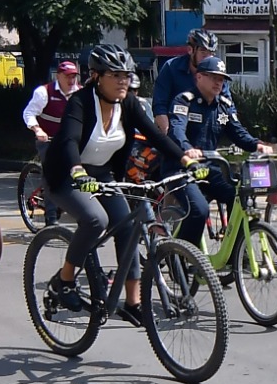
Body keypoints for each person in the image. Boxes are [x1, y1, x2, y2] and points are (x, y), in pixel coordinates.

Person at [42, 45, 194, 323]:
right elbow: (68, 140)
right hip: (66, 175)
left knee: (127, 226)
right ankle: (64, 281)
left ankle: (133, 303)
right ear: (96, 76)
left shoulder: (128, 104)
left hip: (101, 174)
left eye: (126, 75)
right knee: (95, 219)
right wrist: (77, 170)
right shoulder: (80, 102)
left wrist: (184, 158)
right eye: (115, 75)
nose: (123, 81)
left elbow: (156, 136)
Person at [162, 54, 270, 245]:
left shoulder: (223, 106)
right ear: (199, 77)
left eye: (221, 79)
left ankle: (235, 252)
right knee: (199, 210)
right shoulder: (184, 101)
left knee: (237, 198)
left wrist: (257, 145)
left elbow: (238, 132)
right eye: (213, 77)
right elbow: (177, 131)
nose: (218, 82)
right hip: (181, 169)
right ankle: (186, 258)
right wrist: (188, 149)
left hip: (210, 169)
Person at [151, 29, 219, 133]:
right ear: (190, 50)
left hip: (203, 132)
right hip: (174, 130)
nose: (208, 58)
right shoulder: (171, 67)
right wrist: (166, 131)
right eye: (203, 52)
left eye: (211, 53)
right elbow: (159, 104)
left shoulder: (218, 72)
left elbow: (227, 106)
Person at [20, 58, 80, 149]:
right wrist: (38, 130)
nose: (71, 81)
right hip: (48, 142)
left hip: (73, 142)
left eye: (73, 77)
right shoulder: (44, 92)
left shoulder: (81, 93)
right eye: (67, 77)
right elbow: (29, 113)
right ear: (58, 76)